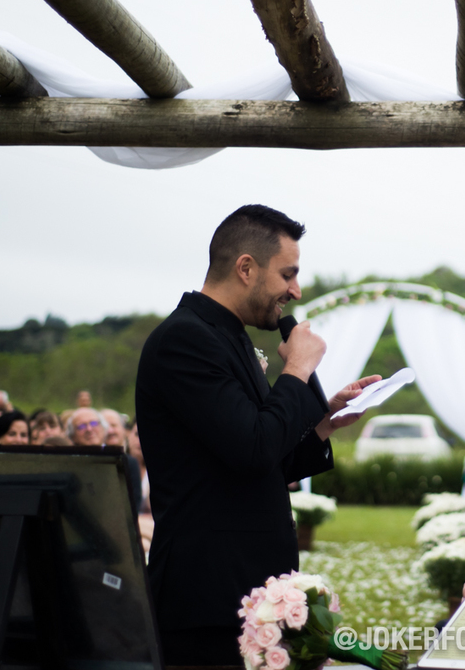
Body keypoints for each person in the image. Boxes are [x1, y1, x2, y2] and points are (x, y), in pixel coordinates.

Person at [136, 204, 371, 665]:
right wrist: (298, 368)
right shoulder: (185, 339)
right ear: (246, 267)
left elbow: (266, 459)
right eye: (288, 275)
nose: (296, 291)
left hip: (251, 592)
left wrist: (323, 421)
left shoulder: (232, 338)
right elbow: (253, 447)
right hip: (208, 594)